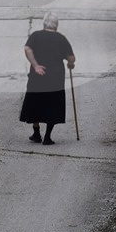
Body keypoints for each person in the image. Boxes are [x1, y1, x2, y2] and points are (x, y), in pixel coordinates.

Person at [19, 12, 75, 145]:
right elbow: (71, 57)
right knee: (53, 104)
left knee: (35, 102)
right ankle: (48, 136)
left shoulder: (36, 35)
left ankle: (36, 132)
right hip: (55, 77)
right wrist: (70, 64)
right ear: (56, 25)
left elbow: (27, 49)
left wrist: (36, 65)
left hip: (37, 76)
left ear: (44, 24)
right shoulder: (61, 38)